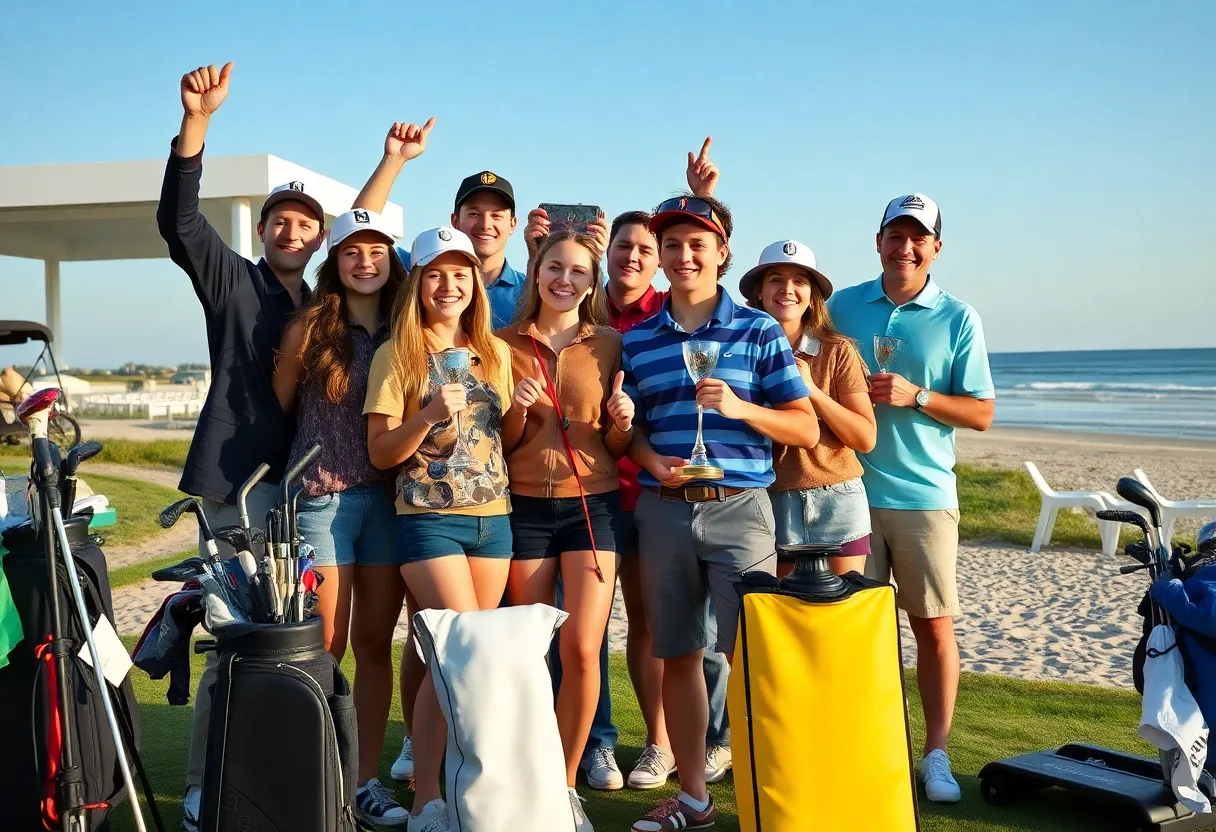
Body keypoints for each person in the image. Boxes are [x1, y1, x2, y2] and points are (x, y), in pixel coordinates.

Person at [155, 61, 326, 831]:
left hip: (307, 492)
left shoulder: (325, 306)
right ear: (262, 232)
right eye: (279, 222)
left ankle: (284, 775)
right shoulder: (231, 281)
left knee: (295, 642)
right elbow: (181, 224)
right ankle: (204, 787)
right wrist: (197, 124)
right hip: (235, 486)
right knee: (233, 639)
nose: (291, 232)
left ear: (319, 237)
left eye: (304, 224)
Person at [622, 194, 820, 830]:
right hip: (664, 511)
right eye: (671, 245)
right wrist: (649, 461)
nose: (683, 256)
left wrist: (740, 409)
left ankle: (780, 800)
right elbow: (635, 432)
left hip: (741, 509)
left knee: (757, 657)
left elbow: (805, 427)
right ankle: (696, 801)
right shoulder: (639, 342)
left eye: (696, 244)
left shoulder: (757, 330)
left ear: (721, 253)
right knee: (677, 654)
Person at [827, 193, 995, 804]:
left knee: (931, 628)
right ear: (877, 242)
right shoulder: (841, 305)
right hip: (846, 492)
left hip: (924, 497)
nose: (905, 247)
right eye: (894, 236)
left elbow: (981, 412)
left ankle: (937, 755)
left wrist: (916, 395)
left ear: (936, 248)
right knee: (855, 630)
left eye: (917, 238)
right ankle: (863, 744)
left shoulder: (958, 317)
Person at [364, 226, 515, 832]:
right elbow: (380, 453)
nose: (449, 285)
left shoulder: (494, 352)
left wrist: (525, 410)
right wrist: (427, 415)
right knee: (457, 656)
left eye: (461, 274)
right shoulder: (395, 357)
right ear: (418, 285)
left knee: (454, 660)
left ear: (475, 282)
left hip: (495, 522)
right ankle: (428, 797)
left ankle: (464, 785)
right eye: (435, 274)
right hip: (427, 522)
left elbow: (507, 439)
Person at [272, 208, 408, 827]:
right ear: (336, 260)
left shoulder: (410, 331)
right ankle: (317, 773)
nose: (364, 261)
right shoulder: (308, 329)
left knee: (374, 645)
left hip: (386, 502)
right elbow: (279, 412)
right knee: (324, 647)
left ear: (391, 260)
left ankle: (363, 780)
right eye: (353, 251)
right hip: (320, 503)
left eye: (376, 251)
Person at [496, 231, 631, 830]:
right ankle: (527, 769)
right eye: (555, 267)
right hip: (522, 507)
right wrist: (519, 409)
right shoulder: (501, 345)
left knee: (580, 649)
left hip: (592, 508)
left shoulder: (608, 344)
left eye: (579, 270)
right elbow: (500, 445)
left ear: (592, 280)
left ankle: (566, 782)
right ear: (536, 271)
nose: (565, 279)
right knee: (529, 651)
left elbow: (616, 444)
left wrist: (623, 422)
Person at [740, 240, 877, 576]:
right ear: (758, 291)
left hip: (838, 498)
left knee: (843, 615)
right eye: (775, 279)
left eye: (800, 281)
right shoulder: (739, 350)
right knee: (784, 616)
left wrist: (812, 392)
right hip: (770, 498)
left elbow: (865, 438)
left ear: (812, 295)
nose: (787, 289)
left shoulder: (838, 351)